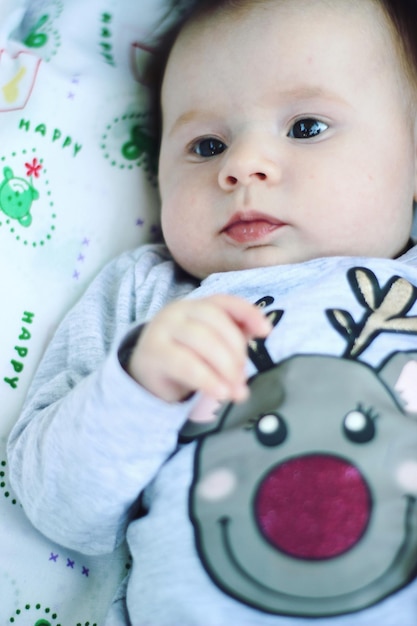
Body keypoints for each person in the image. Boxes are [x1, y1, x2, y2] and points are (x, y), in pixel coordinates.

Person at [8, 0, 417, 623]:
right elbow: (56, 506)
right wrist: (139, 387)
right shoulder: (151, 299)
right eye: (206, 144)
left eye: (306, 126)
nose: (240, 166)